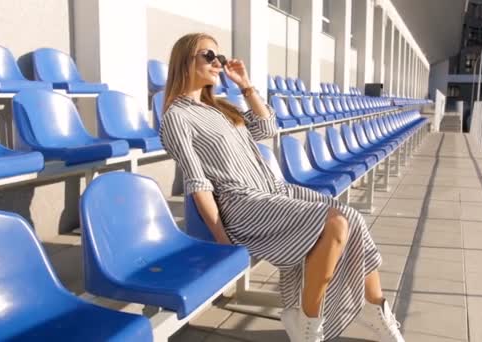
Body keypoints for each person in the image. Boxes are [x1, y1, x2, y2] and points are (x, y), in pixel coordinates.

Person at [158, 32, 404, 342]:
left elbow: (267, 128)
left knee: (351, 217)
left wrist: (245, 86)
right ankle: (308, 324)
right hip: (242, 204)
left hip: (273, 190)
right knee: (335, 223)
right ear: (184, 61)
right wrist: (224, 241)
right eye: (209, 56)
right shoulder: (176, 117)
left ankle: (373, 307)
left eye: (219, 57)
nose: (218, 63)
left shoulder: (219, 107)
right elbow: (197, 183)